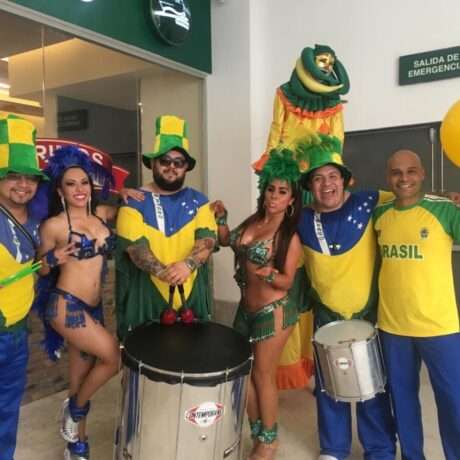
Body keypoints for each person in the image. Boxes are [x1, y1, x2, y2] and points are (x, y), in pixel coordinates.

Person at [296, 134, 396, 460]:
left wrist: (445, 198)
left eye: (332, 176)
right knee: (329, 384)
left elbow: (409, 199)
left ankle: (379, 448)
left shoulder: (371, 201)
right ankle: (333, 448)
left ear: (345, 179)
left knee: (373, 384)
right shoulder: (301, 218)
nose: (327, 184)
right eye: (318, 178)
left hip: (369, 313)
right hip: (327, 315)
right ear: (310, 185)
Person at [213, 148, 308, 460]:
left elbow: (287, 281)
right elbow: (227, 241)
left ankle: (269, 441)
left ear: (291, 199)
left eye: (282, 192)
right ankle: (257, 432)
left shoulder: (288, 236)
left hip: (273, 312)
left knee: (263, 375)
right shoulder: (253, 221)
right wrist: (221, 218)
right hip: (245, 310)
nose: (274, 196)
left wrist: (271, 275)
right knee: (242, 371)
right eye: (271, 189)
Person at [34, 145, 124, 460]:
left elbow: (129, 206)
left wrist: (132, 194)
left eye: (84, 182)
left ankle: (77, 448)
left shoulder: (102, 214)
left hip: (93, 307)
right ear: (60, 191)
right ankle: (74, 410)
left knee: (81, 378)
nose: (79, 189)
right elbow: (39, 269)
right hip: (66, 305)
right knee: (113, 357)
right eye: (70, 184)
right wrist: (52, 258)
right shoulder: (54, 225)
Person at [374, 149, 460, 460]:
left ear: (422, 174)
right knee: (403, 401)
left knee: (453, 401)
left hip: (440, 327)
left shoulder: (445, 210)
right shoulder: (379, 215)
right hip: (393, 326)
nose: (404, 178)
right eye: (396, 172)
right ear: (388, 177)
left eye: (411, 171)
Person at [115, 114, 217, 339]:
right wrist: (164, 272)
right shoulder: (133, 202)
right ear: (153, 163)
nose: (171, 167)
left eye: (178, 162)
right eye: (165, 160)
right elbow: (136, 249)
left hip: (192, 299)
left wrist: (187, 265)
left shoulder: (199, 201)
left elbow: (208, 240)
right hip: (147, 300)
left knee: (195, 353)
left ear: (186, 167)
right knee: (146, 355)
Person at [0, 113, 48, 460]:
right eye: (13, 175)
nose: (23, 184)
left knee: (7, 410)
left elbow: (35, 268)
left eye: (30, 177)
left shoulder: (35, 221)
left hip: (17, 331)